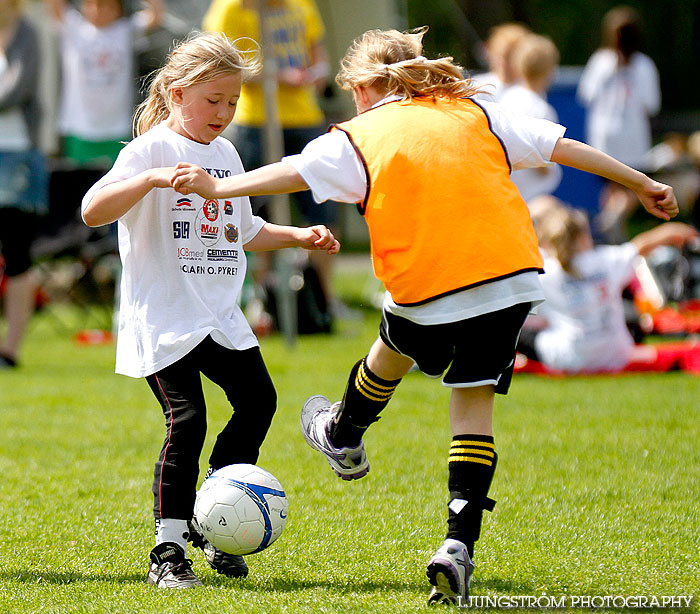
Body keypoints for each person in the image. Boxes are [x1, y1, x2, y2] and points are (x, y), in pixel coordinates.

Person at [168, 27, 678, 605]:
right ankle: (458, 542)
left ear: (362, 87)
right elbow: (560, 145)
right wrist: (641, 183)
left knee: (395, 341)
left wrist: (218, 187)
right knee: (471, 402)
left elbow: (289, 171)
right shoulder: (473, 110)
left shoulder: (356, 135)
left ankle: (343, 432)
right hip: (512, 277)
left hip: (428, 282)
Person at [80, 31, 339, 589]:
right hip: (167, 318)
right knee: (188, 420)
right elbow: (92, 210)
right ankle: (167, 551)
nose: (223, 112)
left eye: (232, 101)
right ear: (175, 94)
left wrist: (299, 236)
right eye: (212, 100)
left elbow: (244, 231)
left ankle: (217, 515)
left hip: (220, 316)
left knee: (258, 402)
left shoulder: (226, 154)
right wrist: (149, 180)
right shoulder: (149, 151)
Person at [202, 0, 339, 315]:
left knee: (324, 207)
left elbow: (317, 49)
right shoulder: (230, 10)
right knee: (254, 209)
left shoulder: (301, 5)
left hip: (305, 116)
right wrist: (276, 75)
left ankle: (323, 300)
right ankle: (261, 298)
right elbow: (220, 64)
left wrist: (316, 72)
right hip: (257, 120)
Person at [517, 201, 698, 373]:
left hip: (568, 358)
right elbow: (641, 245)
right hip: (615, 355)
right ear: (583, 236)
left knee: (514, 326)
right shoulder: (605, 260)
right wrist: (675, 230)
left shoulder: (544, 273)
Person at [577, 6, 661, 243]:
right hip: (630, 139)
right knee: (631, 187)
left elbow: (585, 95)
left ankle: (612, 226)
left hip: (607, 137)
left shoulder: (601, 62)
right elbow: (652, 104)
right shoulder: (642, 65)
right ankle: (614, 225)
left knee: (613, 187)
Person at [46, 0, 165, 167]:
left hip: (117, 127)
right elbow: (55, 5)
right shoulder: (73, 28)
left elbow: (156, 15)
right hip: (79, 127)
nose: (97, 11)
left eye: (105, 5)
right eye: (91, 4)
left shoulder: (126, 30)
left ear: (118, 9)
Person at [0, 0, 49, 369]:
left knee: (17, 253)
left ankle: (10, 349)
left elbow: (20, 88)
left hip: (17, 156)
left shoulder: (28, 33)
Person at [500, 33, 563, 204]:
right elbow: (543, 158)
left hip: (508, 189)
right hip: (532, 197)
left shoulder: (508, 97)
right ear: (549, 71)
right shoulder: (542, 110)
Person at [470, 22, 531, 102]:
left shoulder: (528, 88)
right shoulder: (478, 86)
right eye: (501, 56)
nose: (504, 63)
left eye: (510, 57)